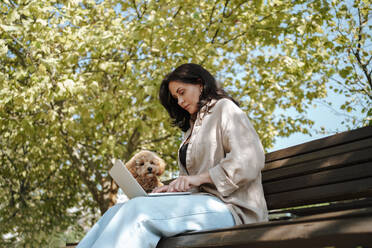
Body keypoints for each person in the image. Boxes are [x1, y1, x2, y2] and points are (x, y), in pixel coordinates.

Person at [77, 63, 268, 248]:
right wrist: (170, 189)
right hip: (200, 204)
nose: (180, 101)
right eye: (176, 98)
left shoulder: (224, 108)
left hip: (231, 208)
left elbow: (250, 159)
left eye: (181, 92)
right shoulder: (191, 129)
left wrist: (196, 179)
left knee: (138, 212)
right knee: (116, 211)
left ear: (200, 83)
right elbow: (192, 183)